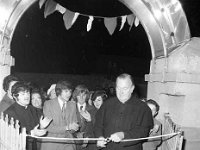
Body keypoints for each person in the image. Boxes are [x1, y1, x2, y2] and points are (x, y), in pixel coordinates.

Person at [94, 73, 154, 150]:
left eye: (125, 88)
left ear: (132, 88)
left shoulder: (143, 108)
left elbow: (143, 132)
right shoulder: (106, 104)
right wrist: (99, 137)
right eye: (118, 88)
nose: (121, 92)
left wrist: (123, 135)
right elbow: (98, 125)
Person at [4, 81, 52, 150]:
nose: (27, 96)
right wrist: (32, 133)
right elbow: (12, 136)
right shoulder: (9, 113)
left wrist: (41, 127)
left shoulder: (34, 110)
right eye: (23, 94)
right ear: (15, 96)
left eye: (28, 93)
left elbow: (38, 132)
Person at [41, 80, 79, 150]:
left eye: (70, 91)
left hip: (68, 143)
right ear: (58, 91)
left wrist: (75, 127)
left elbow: (73, 128)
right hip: (52, 143)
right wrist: (67, 127)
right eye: (66, 91)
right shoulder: (48, 104)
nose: (69, 94)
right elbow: (49, 127)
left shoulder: (72, 105)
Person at [72, 84, 96, 150]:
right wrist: (76, 134)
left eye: (84, 95)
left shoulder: (93, 109)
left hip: (89, 144)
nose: (81, 98)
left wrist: (87, 137)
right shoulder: (71, 109)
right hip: (74, 144)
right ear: (75, 96)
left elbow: (95, 127)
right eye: (79, 95)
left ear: (87, 96)